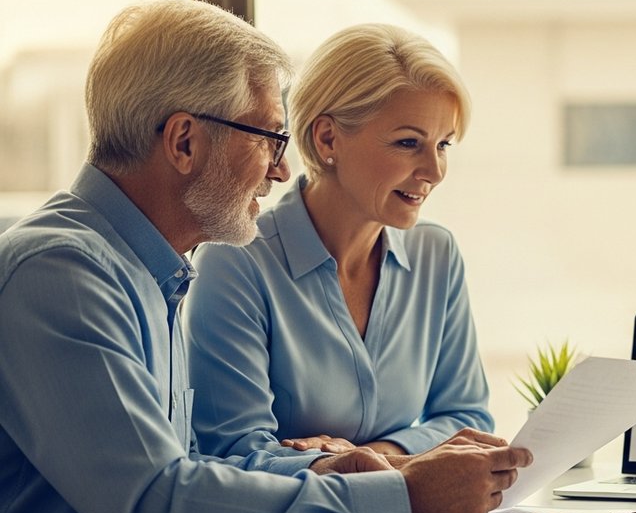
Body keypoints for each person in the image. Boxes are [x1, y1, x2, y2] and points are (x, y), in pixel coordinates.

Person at [0, 0, 531, 513]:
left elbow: (197, 470)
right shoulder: (62, 273)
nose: (282, 171)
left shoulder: (154, 274)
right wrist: (400, 493)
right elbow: (155, 505)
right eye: (268, 139)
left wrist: (332, 467)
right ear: (184, 143)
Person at [184, 24, 492, 460]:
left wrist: (375, 457)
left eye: (442, 145)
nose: (434, 170)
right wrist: (385, 467)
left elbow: (468, 419)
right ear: (328, 138)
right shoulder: (235, 263)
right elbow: (235, 451)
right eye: (409, 143)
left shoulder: (435, 255)